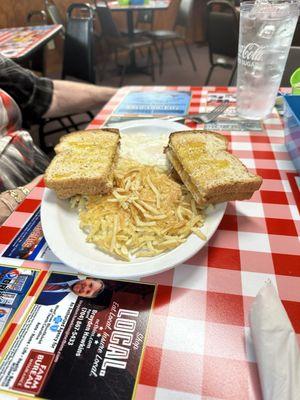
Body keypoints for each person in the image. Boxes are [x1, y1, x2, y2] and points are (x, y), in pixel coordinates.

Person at [0, 55, 117, 225]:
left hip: (42, 179)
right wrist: (18, 198)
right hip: (12, 222)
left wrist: (120, 94)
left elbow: (46, 95)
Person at [36, 276, 108, 306]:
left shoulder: (52, 301)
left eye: (87, 292)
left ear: (83, 296)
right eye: (90, 285)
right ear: (89, 278)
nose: (85, 288)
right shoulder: (64, 269)